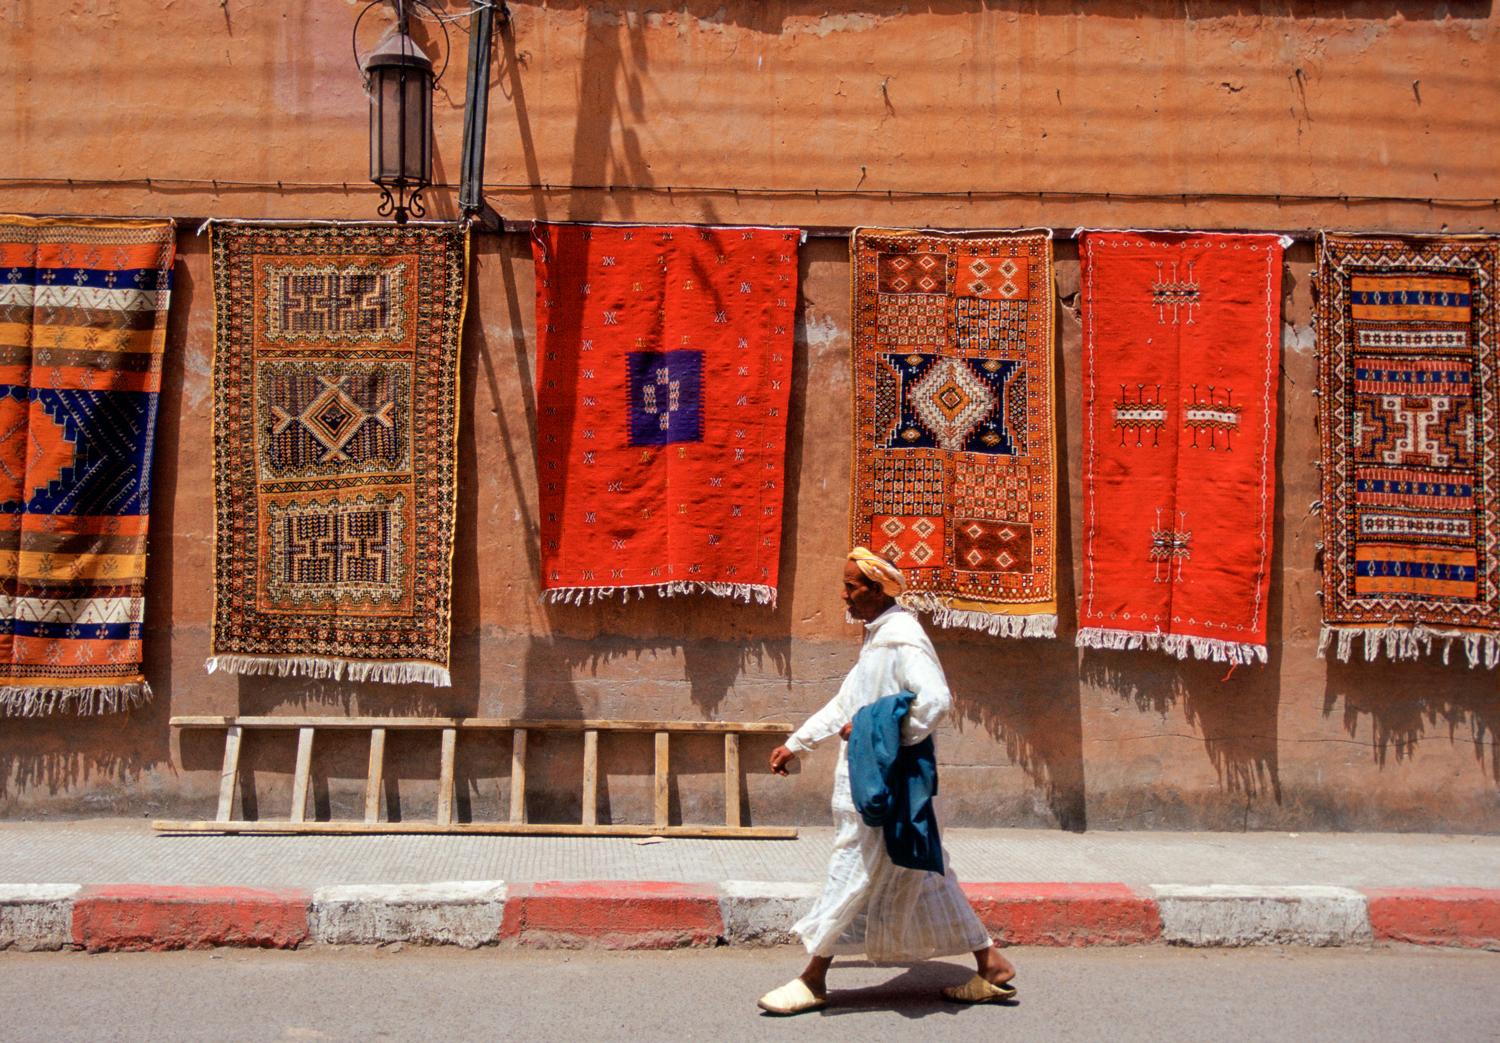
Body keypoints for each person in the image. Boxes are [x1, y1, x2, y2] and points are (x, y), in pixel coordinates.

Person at [756, 547, 1018, 1015]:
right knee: (926, 875)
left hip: (887, 784)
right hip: (876, 780)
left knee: (850, 871)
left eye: (853, 587)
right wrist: (797, 743)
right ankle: (991, 966)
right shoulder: (878, 639)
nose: (845, 595)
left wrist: (885, 733)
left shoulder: (901, 637)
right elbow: (846, 704)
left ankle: (813, 978)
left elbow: (935, 700)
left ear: (877, 591)